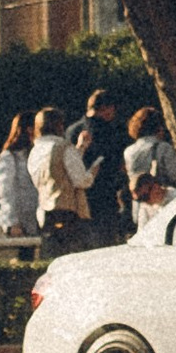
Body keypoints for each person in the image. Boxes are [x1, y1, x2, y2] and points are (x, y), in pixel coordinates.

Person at [27, 104, 93, 252]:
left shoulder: (35, 151)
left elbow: (55, 171)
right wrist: (92, 173)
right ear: (59, 125)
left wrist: (80, 149)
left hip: (45, 211)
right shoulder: (63, 146)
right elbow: (80, 179)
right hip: (69, 213)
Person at [73, 90, 130, 244]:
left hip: (78, 198)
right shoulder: (111, 131)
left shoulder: (72, 130)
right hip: (105, 197)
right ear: (107, 108)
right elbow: (118, 164)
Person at [122, 107, 176, 216]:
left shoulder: (128, 152)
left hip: (140, 207)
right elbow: (175, 177)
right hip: (163, 204)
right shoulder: (163, 147)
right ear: (159, 127)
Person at [0, 115, 38, 237]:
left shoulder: (35, 155)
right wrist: (12, 223)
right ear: (30, 129)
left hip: (36, 220)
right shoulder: (9, 157)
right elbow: (7, 192)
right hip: (20, 225)